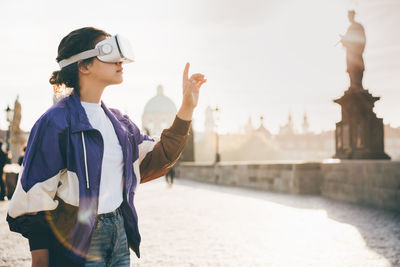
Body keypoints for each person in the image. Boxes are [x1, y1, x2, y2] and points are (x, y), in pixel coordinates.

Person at [6, 27, 206, 267]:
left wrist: (187, 107)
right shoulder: (55, 123)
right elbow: (34, 197)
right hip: (78, 241)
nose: (120, 61)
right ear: (83, 65)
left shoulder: (120, 123)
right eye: (108, 53)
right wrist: (40, 258)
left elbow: (160, 156)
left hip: (119, 233)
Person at [340, 10, 366, 90]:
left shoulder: (358, 26)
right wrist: (344, 41)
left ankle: (357, 86)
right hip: (351, 54)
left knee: (357, 69)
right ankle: (354, 85)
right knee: (351, 70)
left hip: (356, 53)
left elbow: (361, 40)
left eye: (349, 16)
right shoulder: (350, 28)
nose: (349, 18)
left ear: (353, 16)